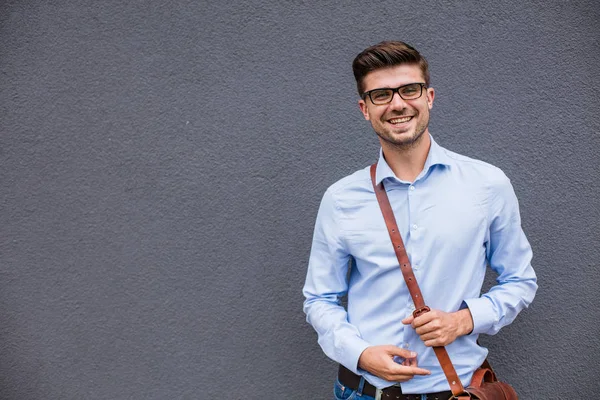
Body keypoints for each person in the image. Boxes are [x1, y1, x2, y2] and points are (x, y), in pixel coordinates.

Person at [302, 41, 537, 400]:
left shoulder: (487, 184)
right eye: (381, 95)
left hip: (456, 392)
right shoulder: (340, 199)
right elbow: (319, 299)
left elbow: (520, 281)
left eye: (408, 90)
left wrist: (463, 320)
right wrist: (360, 354)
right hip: (365, 392)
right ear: (364, 109)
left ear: (429, 97)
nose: (397, 104)